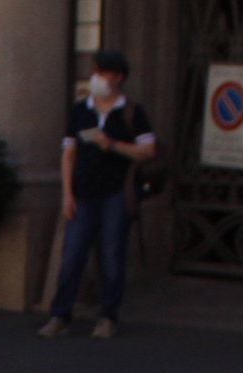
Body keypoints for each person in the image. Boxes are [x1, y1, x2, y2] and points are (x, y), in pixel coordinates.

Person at [39, 48, 153, 339]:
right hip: (84, 193)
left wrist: (112, 145)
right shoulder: (80, 110)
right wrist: (67, 194)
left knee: (112, 256)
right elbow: (69, 153)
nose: (96, 77)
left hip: (116, 193)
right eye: (95, 71)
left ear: (117, 77)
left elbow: (147, 150)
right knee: (72, 255)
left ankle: (108, 316)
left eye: (102, 72)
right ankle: (60, 315)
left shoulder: (132, 112)